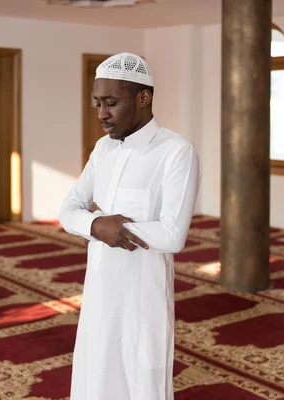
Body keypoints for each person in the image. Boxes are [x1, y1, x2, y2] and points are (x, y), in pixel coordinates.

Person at [58, 52, 201, 400]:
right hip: (99, 288)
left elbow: (172, 234)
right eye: (97, 103)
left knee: (141, 380)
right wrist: (96, 223)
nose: (102, 114)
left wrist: (111, 228)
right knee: (96, 373)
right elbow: (67, 210)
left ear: (143, 98)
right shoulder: (102, 150)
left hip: (144, 292)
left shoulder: (176, 151)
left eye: (111, 102)